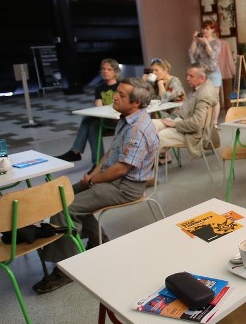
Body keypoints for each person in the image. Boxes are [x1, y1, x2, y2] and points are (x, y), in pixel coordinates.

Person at [33, 78, 160, 294]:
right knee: (65, 195)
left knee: (67, 207)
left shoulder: (137, 129)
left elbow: (121, 169)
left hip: (126, 187)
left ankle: (65, 269)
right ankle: (96, 240)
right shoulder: (127, 119)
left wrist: (93, 180)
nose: (114, 96)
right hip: (114, 179)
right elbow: (111, 154)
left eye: (120, 94)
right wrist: (93, 173)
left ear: (136, 103)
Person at [56, 58, 121, 163]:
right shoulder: (99, 88)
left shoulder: (121, 86)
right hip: (107, 120)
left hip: (119, 121)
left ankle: (78, 153)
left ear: (115, 71)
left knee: (90, 122)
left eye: (109, 69)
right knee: (92, 123)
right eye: (103, 69)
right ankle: (96, 162)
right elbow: (99, 108)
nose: (105, 71)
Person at [151, 62, 218, 160]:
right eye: (188, 75)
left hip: (193, 133)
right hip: (181, 119)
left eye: (191, 76)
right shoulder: (201, 87)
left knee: (159, 136)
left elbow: (197, 123)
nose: (187, 78)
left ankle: (149, 168)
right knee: (152, 125)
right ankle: (149, 161)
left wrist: (174, 124)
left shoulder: (204, 95)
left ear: (202, 78)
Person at [189, 19, 222, 129]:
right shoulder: (198, 42)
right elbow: (192, 54)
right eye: (203, 28)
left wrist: (207, 42)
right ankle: (203, 122)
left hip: (213, 72)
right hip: (201, 73)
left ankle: (214, 122)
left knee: (214, 98)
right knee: (201, 98)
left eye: (207, 29)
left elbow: (212, 55)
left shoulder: (216, 42)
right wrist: (194, 40)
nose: (205, 31)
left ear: (212, 30)